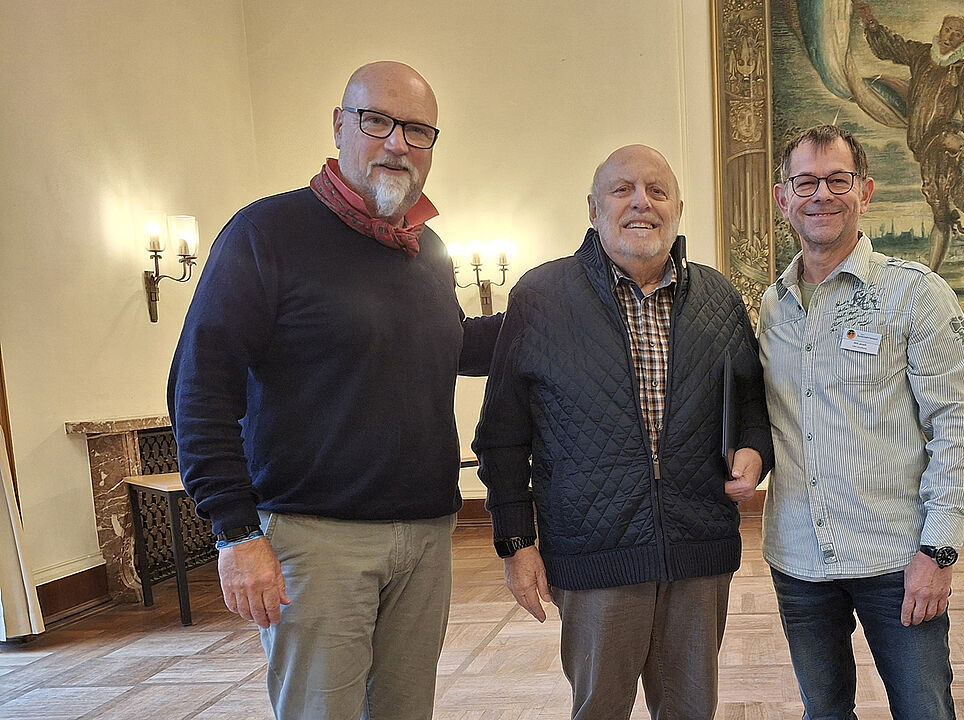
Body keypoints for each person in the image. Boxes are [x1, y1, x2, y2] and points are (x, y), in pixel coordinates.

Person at [168, 61, 502, 720]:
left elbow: (450, 344)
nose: (397, 143)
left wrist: (557, 312)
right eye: (377, 121)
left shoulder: (425, 247)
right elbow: (198, 385)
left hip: (425, 536)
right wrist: (235, 533)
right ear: (340, 126)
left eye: (418, 130)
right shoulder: (266, 234)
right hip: (314, 543)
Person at [473, 144, 773, 720]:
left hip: (697, 554)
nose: (643, 202)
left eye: (658, 191)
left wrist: (755, 452)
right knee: (599, 711)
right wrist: (516, 542)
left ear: (678, 208)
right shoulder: (540, 298)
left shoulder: (719, 298)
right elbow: (502, 438)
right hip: (593, 559)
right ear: (593, 208)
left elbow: (752, 405)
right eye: (623, 190)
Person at [759, 124, 964, 720]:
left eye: (838, 179)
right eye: (805, 181)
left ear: (866, 191)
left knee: (924, 712)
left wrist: (940, 550)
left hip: (897, 558)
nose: (821, 194)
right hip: (800, 559)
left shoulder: (916, 295)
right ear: (783, 197)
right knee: (825, 713)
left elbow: (956, 424)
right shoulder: (771, 307)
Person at [853, 1, 964, 279]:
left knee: (940, 211)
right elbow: (891, 46)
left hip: (943, 146)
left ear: (963, 39)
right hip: (925, 148)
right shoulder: (922, 55)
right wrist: (870, 24)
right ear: (940, 30)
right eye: (946, 29)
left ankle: (930, 276)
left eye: (955, 33)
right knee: (963, 199)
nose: (948, 36)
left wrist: (962, 136)